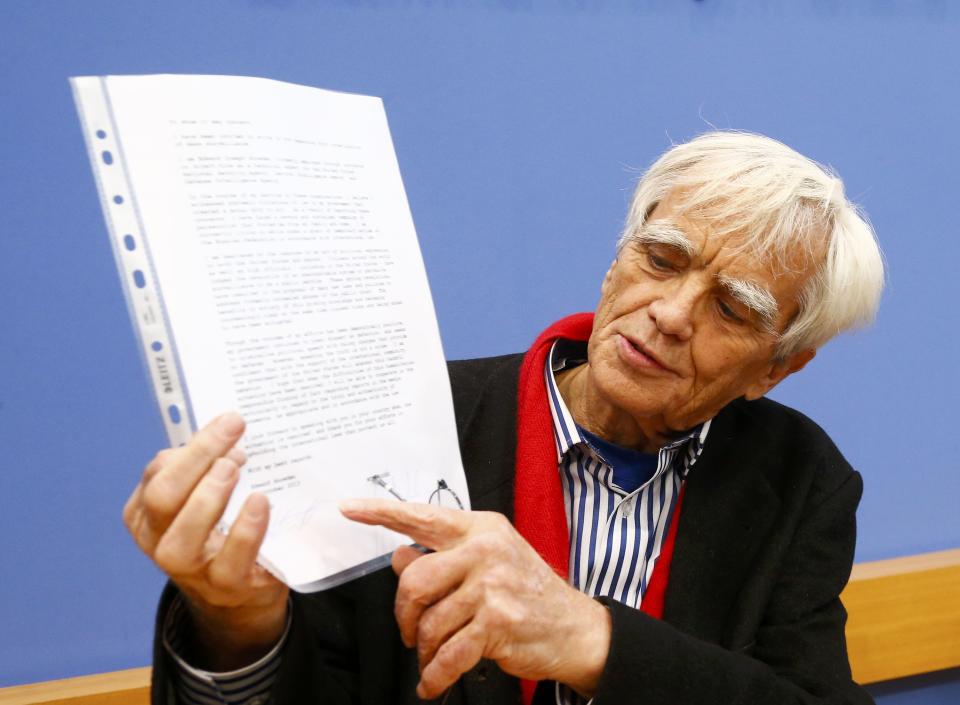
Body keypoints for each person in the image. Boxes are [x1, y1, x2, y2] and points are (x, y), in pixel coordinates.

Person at [124, 131, 885, 705]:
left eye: (731, 308)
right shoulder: (410, 417)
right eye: (661, 258)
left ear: (777, 367)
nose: (672, 313)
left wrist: (589, 637)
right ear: (617, 256)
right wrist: (238, 623)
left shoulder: (802, 478)